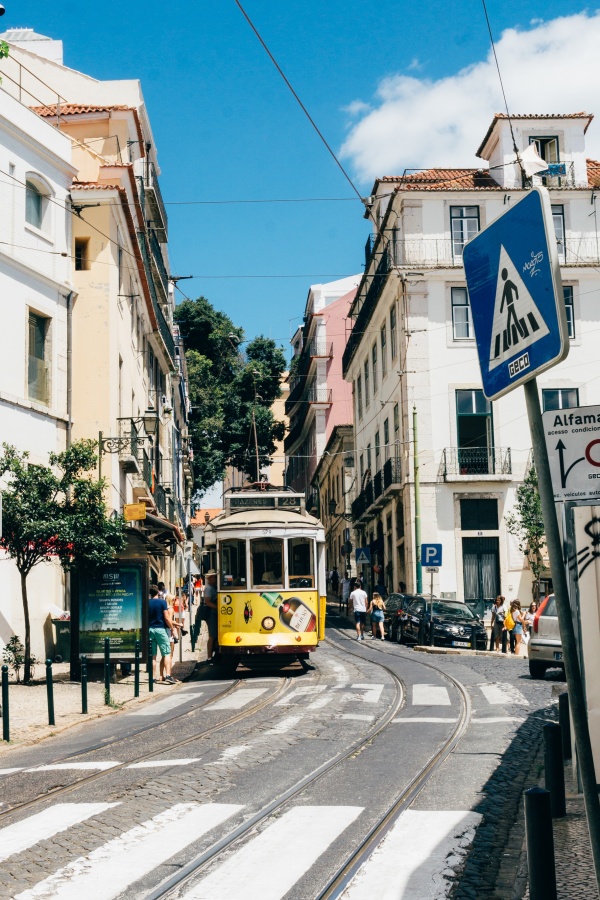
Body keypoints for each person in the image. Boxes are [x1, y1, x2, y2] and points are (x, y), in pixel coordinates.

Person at [148, 586, 177, 684]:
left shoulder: (146, 603)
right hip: (160, 629)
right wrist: (172, 629)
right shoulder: (162, 602)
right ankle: (168, 675)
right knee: (166, 653)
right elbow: (166, 617)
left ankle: (152, 678)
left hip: (149, 630)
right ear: (158, 593)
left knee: (153, 656)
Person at [204, 569, 219, 662]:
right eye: (214, 577)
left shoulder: (213, 587)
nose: (216, 579)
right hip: (211, 613)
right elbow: (207, 602)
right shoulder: (209, 588)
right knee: (212, 635)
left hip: (214, 612)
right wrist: (218, 607)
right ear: (210, 578)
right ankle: (209, 657)